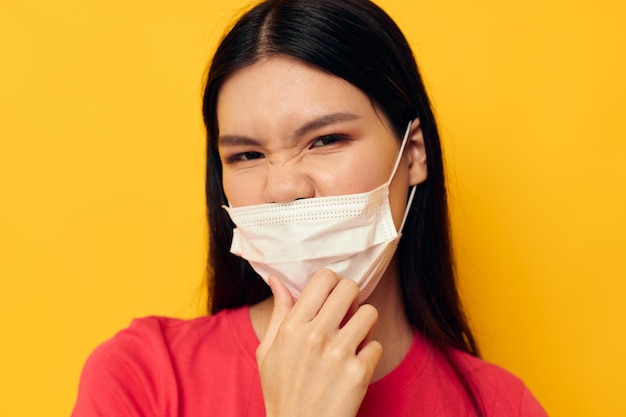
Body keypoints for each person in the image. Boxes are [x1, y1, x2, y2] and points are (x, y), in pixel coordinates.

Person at [72, 1, 548, 416]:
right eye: (246, 155)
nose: (283, 188)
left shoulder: (500, 405)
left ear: (413, 153)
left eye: (326, 140)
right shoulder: (143, 377)